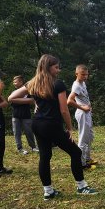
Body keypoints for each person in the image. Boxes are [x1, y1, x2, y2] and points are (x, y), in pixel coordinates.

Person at [8, 54, 98, 200]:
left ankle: (48, 191)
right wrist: (69, 128)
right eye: (56, 67)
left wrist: (34, 100)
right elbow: (64, 110)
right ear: (48, 67)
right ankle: (81, 186)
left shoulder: (33, 83)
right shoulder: (58, 84)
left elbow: (11, 98)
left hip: (37, 124)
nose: (58, 70)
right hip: (52, 125)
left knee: (45, 156)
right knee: (75, 152)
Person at [67, 64, 97, 169]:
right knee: (83, 138)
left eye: (86, 75)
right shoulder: (76, 85)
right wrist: (83, 108)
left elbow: (84, 98)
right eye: (82, 75)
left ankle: (87, 158)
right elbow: (69, 101)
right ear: (76, 74)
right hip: (82, 113)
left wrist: (88, 107)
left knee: (89, 136)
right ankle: (81, 163)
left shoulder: (82, 83)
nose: (85, 77)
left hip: (87, 113)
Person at [10, 75, 39, 155]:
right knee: (17, 133)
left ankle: (33, 147)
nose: (14, 83)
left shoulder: (28, 91)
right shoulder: (13, 92)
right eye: (13, 82)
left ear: (21, 82)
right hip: (15, 115)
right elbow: (12, 103)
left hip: (26, 115)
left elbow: (33, 101)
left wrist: (18, 100)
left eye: (15, 82)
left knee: (29, 132)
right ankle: (20, 148)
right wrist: (26, 101)